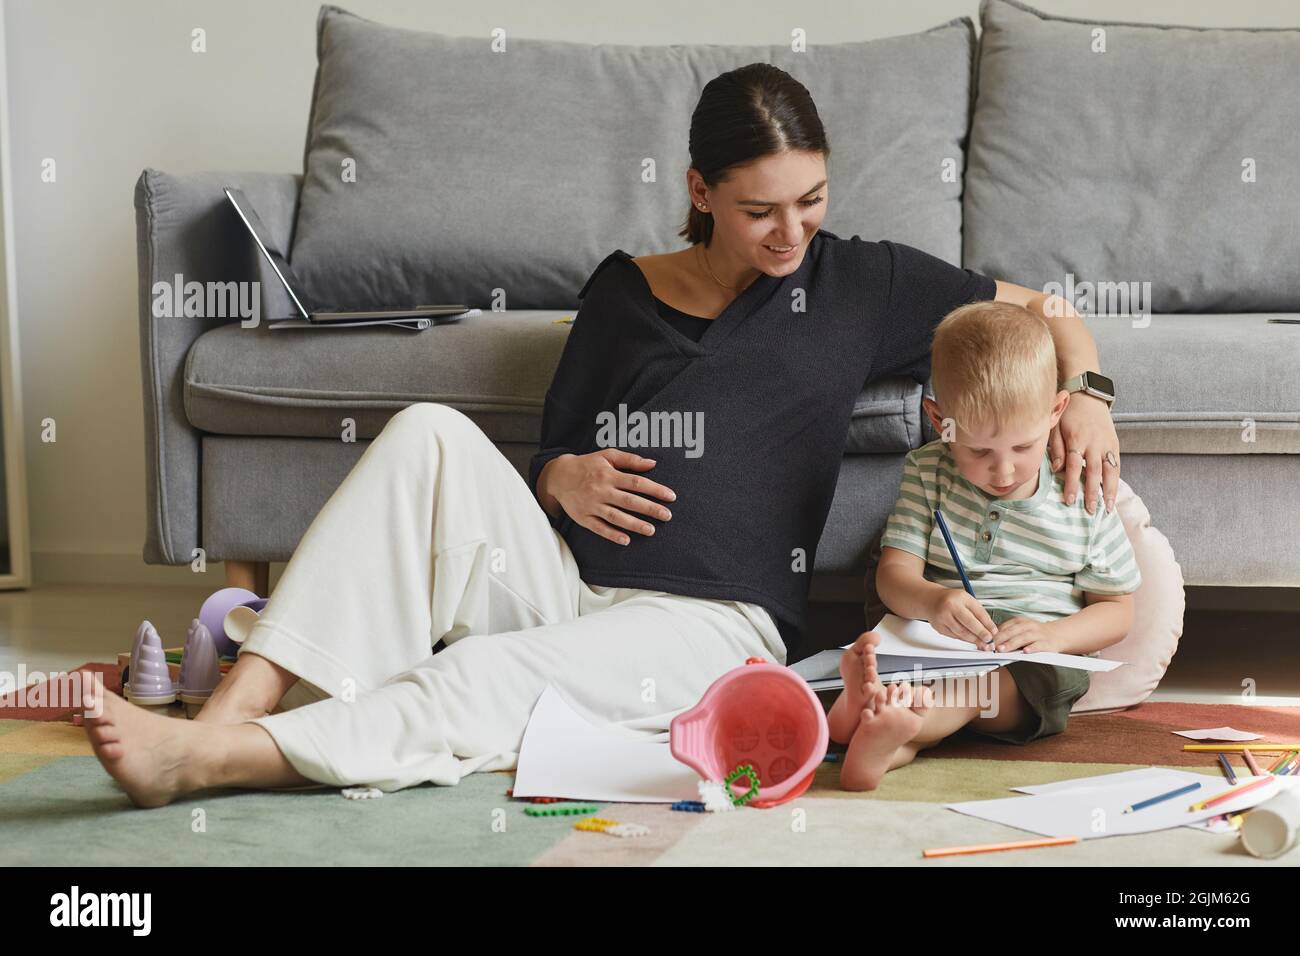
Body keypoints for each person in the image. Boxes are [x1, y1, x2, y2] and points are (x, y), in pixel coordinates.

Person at [82, 63, 1123, 809]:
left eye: (810, 200)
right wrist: (560, 476)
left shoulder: (862, 281)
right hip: (570, 583)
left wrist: (1086, 390)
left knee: (478, 679)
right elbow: (556, 448)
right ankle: (237, 701)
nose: (791, 233)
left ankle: (230, 760)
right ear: (700, 191)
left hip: (712, 625)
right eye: (761, 210)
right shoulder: (624, 293)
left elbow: (1046, 309)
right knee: (426, 433)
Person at [829, 300, 1139, 791]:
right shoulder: (928, 471)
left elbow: (1118, 611)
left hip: (1032, 666)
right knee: (919, 681)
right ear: (939, 419)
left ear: (1057, 410)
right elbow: (893, 576)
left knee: (979, 689)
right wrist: (934, 600)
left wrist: (1055, 637)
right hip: (937, 645)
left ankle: (872, 717)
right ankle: (881, 744)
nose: (1004, 471)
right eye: (977, 451)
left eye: (1023, 447)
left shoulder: (1079, 489)